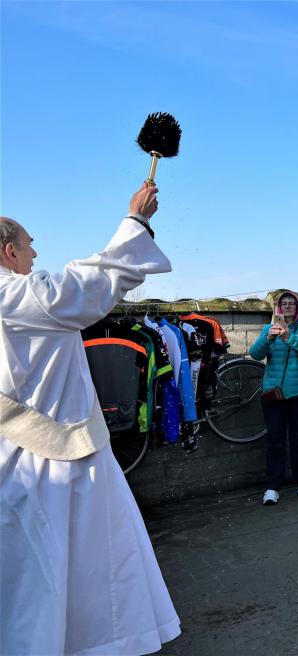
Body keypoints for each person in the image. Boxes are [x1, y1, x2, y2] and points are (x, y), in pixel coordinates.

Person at [0, 184, 180, 654]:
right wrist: (135, 221)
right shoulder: (11, 297)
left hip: (18, 460)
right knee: (47, 587)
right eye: (29, 243)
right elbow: (84, 290)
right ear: (8, 250)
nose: (35, 252)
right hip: (45, 464)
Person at [249, 290, 298, 505]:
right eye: (283, 304)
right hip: (274, 394)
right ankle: (272, 486)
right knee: (275, 440)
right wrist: (268, 339)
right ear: (278, 309)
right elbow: (255, 354)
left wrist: (288, 336)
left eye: (291, 304)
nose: (287, 307)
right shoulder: (268, 329)